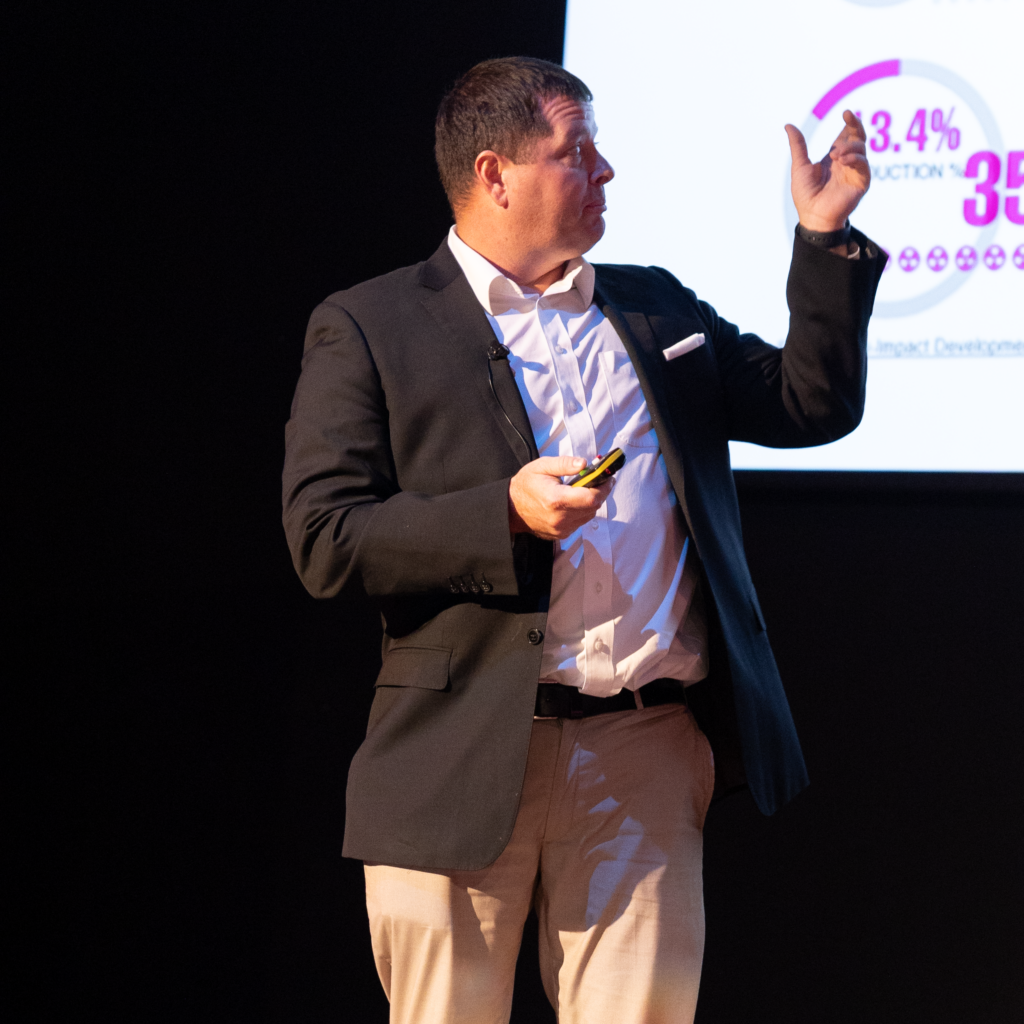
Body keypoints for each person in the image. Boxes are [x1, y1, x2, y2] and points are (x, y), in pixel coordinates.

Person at [282, 56, 884, 1024]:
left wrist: (822, 236)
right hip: (464, 747)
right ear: (494, 174)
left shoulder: (653, 306)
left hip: (644, 746)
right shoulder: (372, 324)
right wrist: (504, 513)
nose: (604, 172)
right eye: (578, 152)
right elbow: (326, 537)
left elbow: (809, 406)